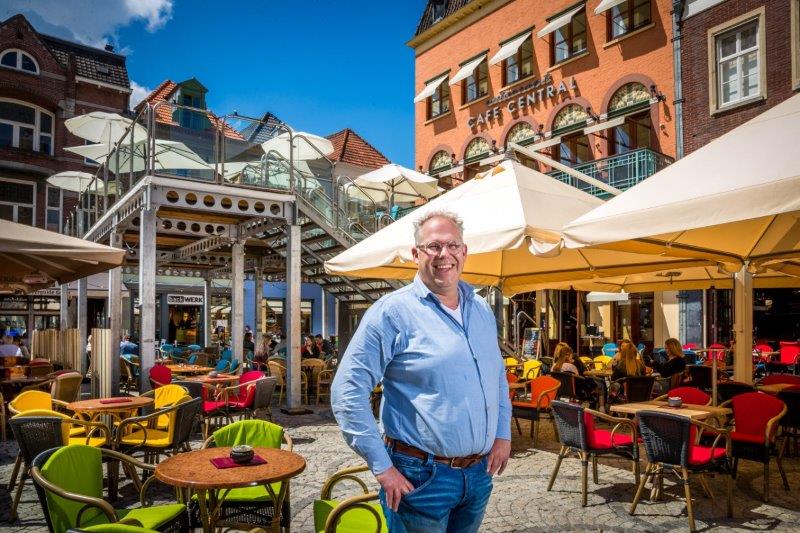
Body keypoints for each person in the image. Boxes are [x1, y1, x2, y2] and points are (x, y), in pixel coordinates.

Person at [332, 210, 511, 533]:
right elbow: (347, 392)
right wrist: (383, 468)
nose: (445, 255)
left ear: (464, 251)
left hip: (477, 475)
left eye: (453, 245)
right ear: (416, 254)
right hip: (419, 477)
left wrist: (502, 433)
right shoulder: (392, 312)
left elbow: (496, 376)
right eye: (433, 246)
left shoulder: (481, 309)